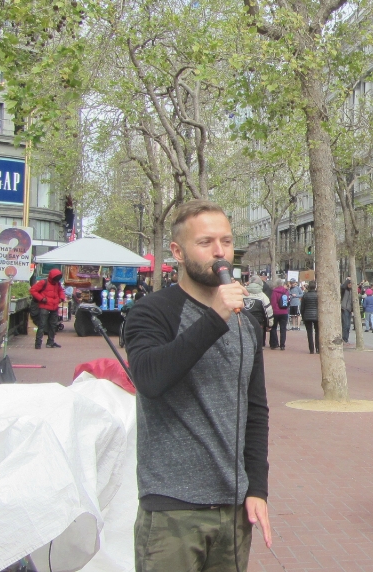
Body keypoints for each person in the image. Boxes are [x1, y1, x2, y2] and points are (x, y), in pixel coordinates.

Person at [124, 200, 271, 572]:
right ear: (177, 251)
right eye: (205, 242)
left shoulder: (248, 323)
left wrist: (257, 488)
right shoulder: (152, 312)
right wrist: (216, 316)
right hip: (173, 510)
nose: (220, 252)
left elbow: (255, 410)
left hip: (234, 508)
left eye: (226, 241)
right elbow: (149, 379)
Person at [29, 268, 65, 349]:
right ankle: (39, 343)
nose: (56, 280)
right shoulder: (43, 282)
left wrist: (61, 298)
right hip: (44, 306)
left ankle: (50, 342)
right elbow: (33, 290)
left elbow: (61, 291)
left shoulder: (57, 284)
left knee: (52, 325)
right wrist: (41, 298)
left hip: (53, 306)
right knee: (42, 325)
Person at [244, 275, 274, 347]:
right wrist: (269, 324)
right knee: (258, 345)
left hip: (244, 322)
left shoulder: (243, 294)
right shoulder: (263, 296)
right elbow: (268, 312)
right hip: (258, 322)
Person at [300, 280, 319, 354]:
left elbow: (302, 307)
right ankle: (318, 348)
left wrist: (303, 316)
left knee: (309, 332)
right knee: (317, 332)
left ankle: (311, 349)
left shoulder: (305, 295)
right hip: (316, 315)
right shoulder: (318, 295)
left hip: (307, 315)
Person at [270, 279, 289, 350]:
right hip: (284, 312)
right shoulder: (286, 291)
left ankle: (275, 343)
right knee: (283, 329)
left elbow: (273, 302)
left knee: (274, 328)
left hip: (276, 312)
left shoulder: (274, 292)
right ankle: (282, 345)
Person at [340, 278, 353, 346]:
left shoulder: (352, 291)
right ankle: (344, 338)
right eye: (349, 284)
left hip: (349, 309)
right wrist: (347, 280)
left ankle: (346, 338)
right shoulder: (344, 290)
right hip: (344, 308)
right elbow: (342, 287)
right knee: (345, 324)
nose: (350, 285)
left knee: (348, 325)